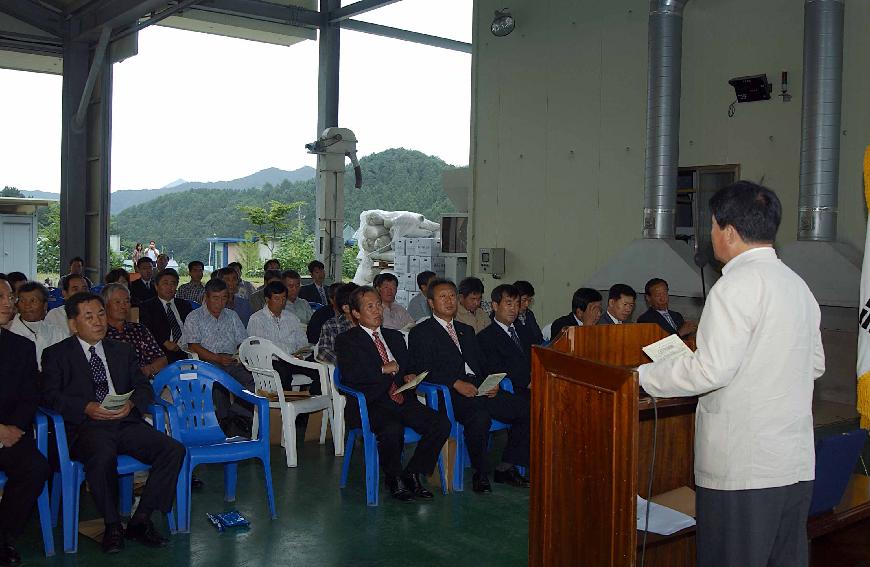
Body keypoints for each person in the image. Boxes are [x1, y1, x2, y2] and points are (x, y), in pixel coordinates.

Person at [638, 182, 824, 567]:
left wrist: (643, 376)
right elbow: (816, 364)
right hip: (793, 464)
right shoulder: (797, 285)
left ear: (729, 232)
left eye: (711, 227)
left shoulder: (734, 286)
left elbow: (710, 369)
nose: (711, 236)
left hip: (743, 470)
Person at [41, 292, 185, 553]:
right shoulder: (57, 354)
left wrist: (131, 405)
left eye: (100, 315)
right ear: (73, 324)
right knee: (101, 454)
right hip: (87, 426)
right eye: (88, 317)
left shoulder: (122, 350)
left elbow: (143, 387)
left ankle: (141, 519)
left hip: (125, 422)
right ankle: (112, 525)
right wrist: (86, 407)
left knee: (173, 449)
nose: (98, 322)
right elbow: (50, 396)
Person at [408, 278, 530, 493]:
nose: (449, 301)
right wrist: (455, 383)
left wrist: (492, 383)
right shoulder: (422, 332)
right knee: (479, 417)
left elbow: (482, 365)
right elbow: (422, 369)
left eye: (452, 296)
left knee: (526, 408)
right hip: (450, 393)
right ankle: (480, 473)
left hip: (480, 389)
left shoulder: (466, 330)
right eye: (442, 297)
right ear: (431, 303)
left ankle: (507, 466)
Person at [336, 286, 451, 501]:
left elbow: (407, 366)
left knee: (441, 423)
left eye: (378, 305)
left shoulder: (395, 337)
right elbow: (351, 375)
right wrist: (381, 369)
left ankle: (413, 473)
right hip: (371, 403)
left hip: (401, 398)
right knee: (391, 429)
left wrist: (410, 375)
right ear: (356, 313)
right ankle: (394, 478)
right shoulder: (348, 340)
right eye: (370, 306)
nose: (377, 310)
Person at [0, 279, 51, 566]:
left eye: (10, 296)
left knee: (36, 467)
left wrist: (15, 428)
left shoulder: (19, 346)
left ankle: (5, 536)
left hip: (11, 432)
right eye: (2, 297)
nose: (10, 302)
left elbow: (30, 395)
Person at [179, 278, 253, 435]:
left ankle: (235, 416)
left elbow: (242, 342)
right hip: (207, 363)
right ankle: (225, 423)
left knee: (253, 378)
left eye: (224, 298)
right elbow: (193, 346)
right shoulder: (194, 317)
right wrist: (217, 359)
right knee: (218, 383)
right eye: (215, 298)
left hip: (232, 360)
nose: (220, 303)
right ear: (206, 297)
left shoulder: (232, 316)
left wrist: (241, 355)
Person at [246, 281, 319, 393]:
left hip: (294, 359)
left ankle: (313, 402)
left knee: (319, 367)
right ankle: (284, 405)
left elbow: (302, 341)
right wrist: (285, 356)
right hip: (272, 362)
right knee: (283, 370)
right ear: (267, 299)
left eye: (284, 298)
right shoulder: (257, 319)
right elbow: (259, 349)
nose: (281, 302)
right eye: (277, 298)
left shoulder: (291, 318)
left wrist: (301, 355)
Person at [101, 284, 167, 379]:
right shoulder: (100, 333)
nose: (123, 306)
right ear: (105, 305)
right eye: (118, 302)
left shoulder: (139, 330)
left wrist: (148, 370)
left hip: (140, 383)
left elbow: (162, 359)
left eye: (127, 301)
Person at [478, 284, 532, 397]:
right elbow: (497, 369)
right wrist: (527, 382)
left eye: (517, 303)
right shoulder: (485, 337)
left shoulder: (524, 331)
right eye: (509, 304)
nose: (514, 309)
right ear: (495, 306)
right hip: (509, 391)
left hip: (534, 386)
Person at [138, 269, 193, 364]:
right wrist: (164, 342)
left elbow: (194, 326)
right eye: (165, 283)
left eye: (173, 283)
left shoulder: (184, 305)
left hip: (187, 348)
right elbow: (146, 329)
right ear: (156, 286)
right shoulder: (147, 306)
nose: (169, 287)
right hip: (163, 350)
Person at [8, 281, 66, 369]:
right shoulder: (9, 333)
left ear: (45, 305)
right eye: (22, 301)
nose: (27, 305)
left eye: (33, 301)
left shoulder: (57, 333)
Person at [316, 282, 358, 365]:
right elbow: (323, 352)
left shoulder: (368, 323)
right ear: (346, 308)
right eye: (359, 303)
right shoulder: (332, 325)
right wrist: (349, 362)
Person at [45, 273, 90, 338]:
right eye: (75, 289)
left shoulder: (96, 314)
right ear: (65, 293)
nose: (81, 293)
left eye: (84, 289)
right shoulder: (54, 315)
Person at [513, 280, 544, 345]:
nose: (527, 304)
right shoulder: (508, 317)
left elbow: (538, 337)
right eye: (524, 300)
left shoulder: (529, 314)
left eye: (529, 300)